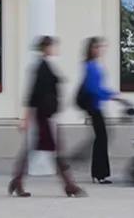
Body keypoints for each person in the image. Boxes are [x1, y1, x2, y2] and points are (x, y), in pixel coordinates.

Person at [10, 36, 85, 198]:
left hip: (48, 114)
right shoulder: (40, 67)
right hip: (43, 115)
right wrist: (26, 118)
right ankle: (69, 185)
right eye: (51, 46)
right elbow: (32, 95)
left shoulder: (46, 65)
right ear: (45, 47)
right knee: (55, 150)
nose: (53, 48)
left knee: (35, 148)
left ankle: (18, 180)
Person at [75, 37, 119, 184]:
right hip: (94, 106)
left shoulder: (93, 65)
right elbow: (93, 88)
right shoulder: (90, 66)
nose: (98, 50)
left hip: (96, 105)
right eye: (95, 47)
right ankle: (99, 173)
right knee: (102, 138)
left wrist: (109, 95)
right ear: (90, 49)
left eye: (99, 47)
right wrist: (110, 95)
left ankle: (98, 172)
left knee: (101, 137)